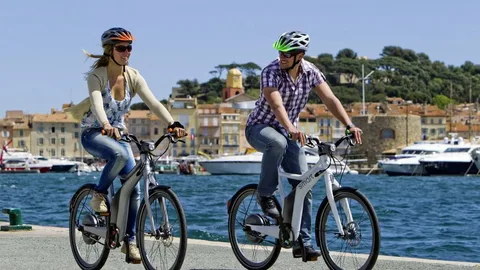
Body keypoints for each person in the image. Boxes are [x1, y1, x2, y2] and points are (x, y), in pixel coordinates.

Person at [245, 31, 363, 261]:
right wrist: (290, 128)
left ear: (300, 55)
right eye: (280, 52)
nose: (282, 56)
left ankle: (304, 242)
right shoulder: (271, 71)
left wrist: (349, 124)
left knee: (304, 185)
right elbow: (276, 105)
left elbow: (330, 100)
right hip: (260, 127)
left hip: (291, 132)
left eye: (287, 53)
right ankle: (264, 194)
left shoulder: (311, 72)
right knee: (277, 142)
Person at [80, 27, 186, 262]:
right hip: (94, 132)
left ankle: (129, 241)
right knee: (118, 155)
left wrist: (172, 122)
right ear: (110, 51)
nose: (127, 52)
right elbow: (97, 103)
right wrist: (106, 124)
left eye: (129, 47)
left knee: (135, 188)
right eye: (121, 48)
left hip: (119, 135)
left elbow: (154, 102)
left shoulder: (133, 76)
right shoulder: (96, 76)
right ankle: (98, 195)